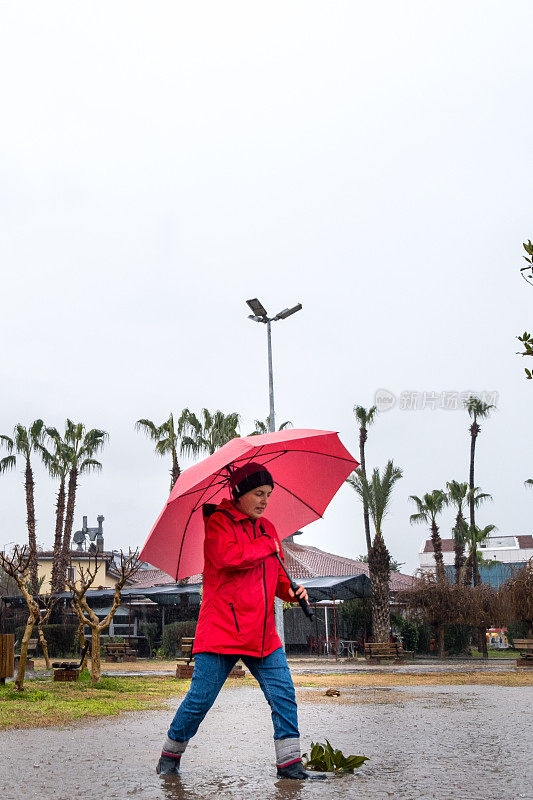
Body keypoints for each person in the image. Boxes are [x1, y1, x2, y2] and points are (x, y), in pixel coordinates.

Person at [156, 461, 326, 780]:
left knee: (284, 694)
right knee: (200, 700)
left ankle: (290, 765)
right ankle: (169, 756)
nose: (264, 500)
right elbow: (228, 559)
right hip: (221, 632)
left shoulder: (268, 529)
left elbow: (275, 578)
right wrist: (266, 545)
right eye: (258, 493)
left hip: (262, 635)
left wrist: (292, 591)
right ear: (239, 493)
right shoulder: (218, 522)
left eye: (269, 494)